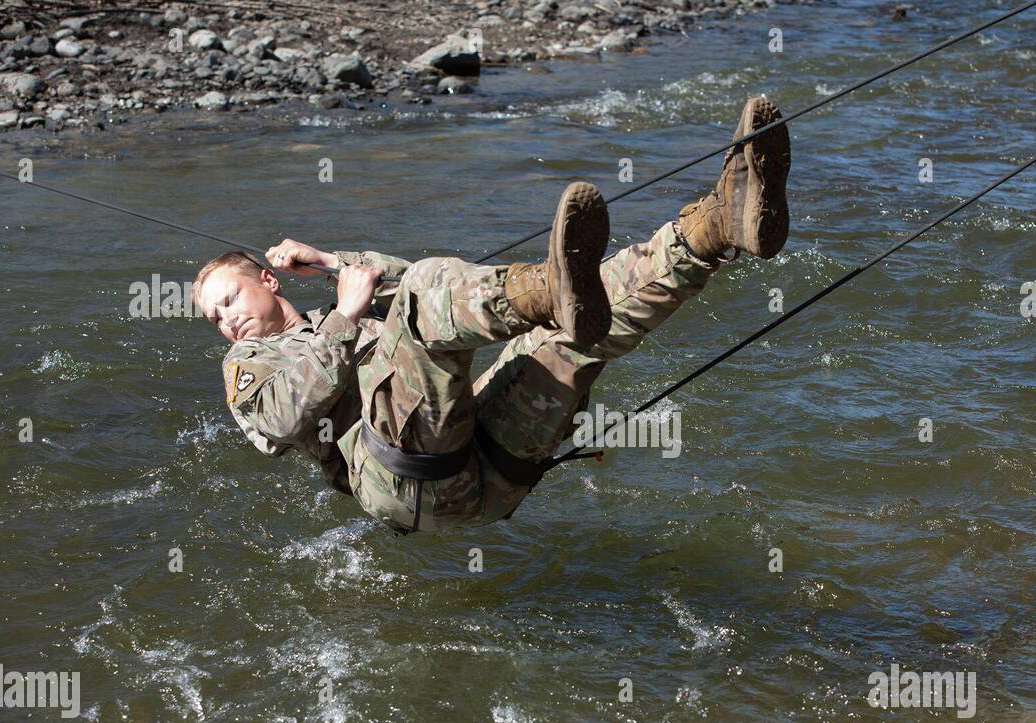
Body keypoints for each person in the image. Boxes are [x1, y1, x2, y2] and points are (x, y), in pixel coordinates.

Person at [195, 96, 791, 533]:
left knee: (576, 331)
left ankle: (716, 228)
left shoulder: (338, 304)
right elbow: (279, 420)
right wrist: (345, 319)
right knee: (432, 291)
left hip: (491, 473)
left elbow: (420, 294)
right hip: (403, 482)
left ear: (268, 280)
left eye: (228, 298)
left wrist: (331, 263)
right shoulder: (249, 364)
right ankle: (550, 290)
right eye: (213, 317)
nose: (225, 319)